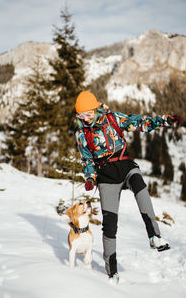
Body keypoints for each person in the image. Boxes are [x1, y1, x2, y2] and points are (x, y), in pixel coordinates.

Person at [75, 91, 181, 284]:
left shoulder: (112, 119)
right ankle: (112, 271)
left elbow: (140, 123)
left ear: (95, 108)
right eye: (81, 116)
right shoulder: (82, 134)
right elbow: (86, 159)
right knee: (109, 223)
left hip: (126, 166)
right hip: (106, 176)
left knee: (140, 187)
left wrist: (164, 121)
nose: (85, 118)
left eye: (88, 114)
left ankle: (154, 236)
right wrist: (90, 177)